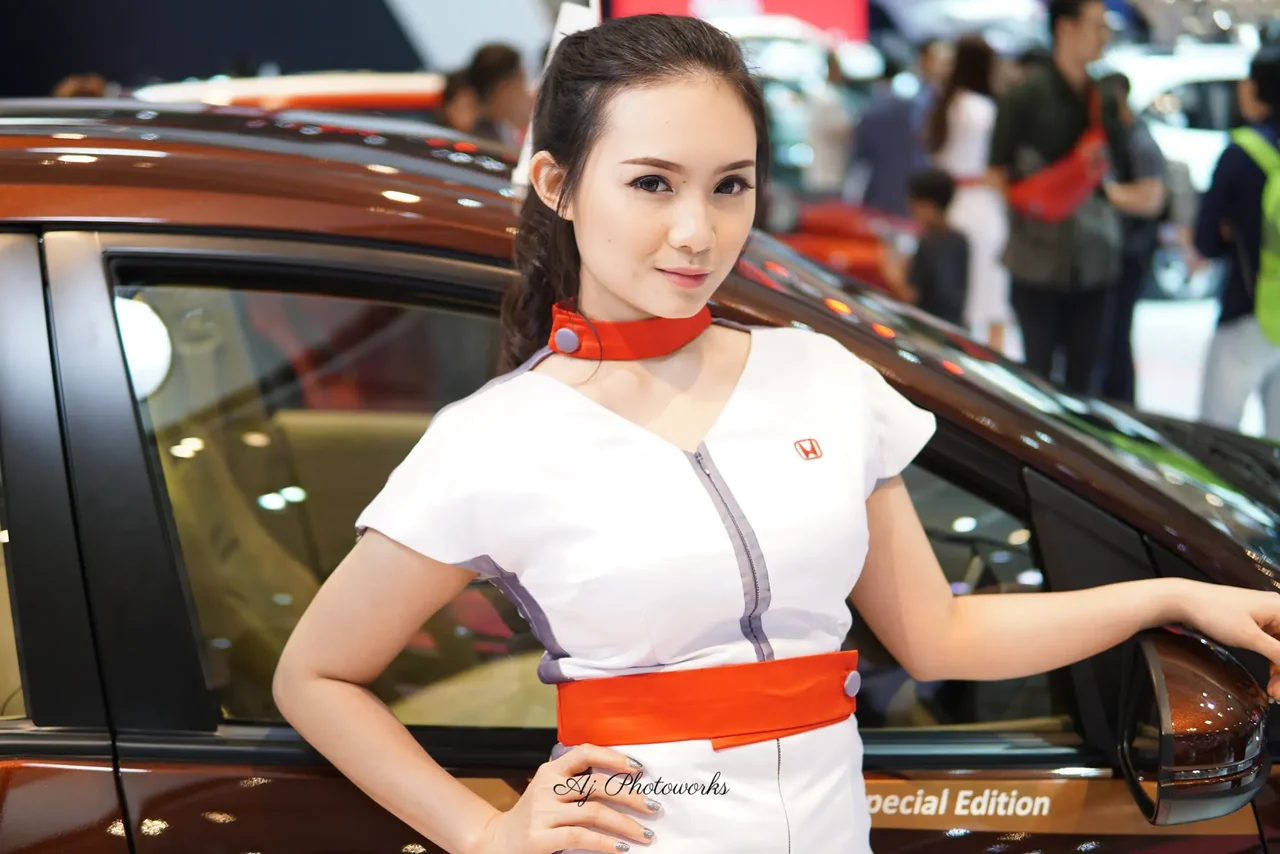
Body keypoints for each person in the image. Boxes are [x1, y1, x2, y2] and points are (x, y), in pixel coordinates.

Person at [272, 14, 1280, 854]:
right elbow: (314, 675)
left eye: (730, 184)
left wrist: (1171, 593)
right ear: (556, 184)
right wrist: (483, 832)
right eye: (651, 182)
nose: (697, 232)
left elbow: (937, 634)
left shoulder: (821, 377)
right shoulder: (493, 439)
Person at [989, 0, 1128, 394]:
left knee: (1086, 379)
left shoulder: (1104, 97)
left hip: (1095, 257)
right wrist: (1034, 206)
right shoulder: (1024, 97)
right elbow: (996, 172)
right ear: (1065, 28)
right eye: (1097, 25)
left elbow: (1117, 168)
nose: (1104, 36)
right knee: (1038, 378)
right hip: (1036, 259)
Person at [1196, 45, 1280, 438]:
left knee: (1217, 438)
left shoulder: (1241, 153)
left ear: (1255, 88)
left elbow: (1205, 241)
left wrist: (1231, 233)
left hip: (1247, 310)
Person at [927, 33, 1011, 351]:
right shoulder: (983, 110)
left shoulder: (945, 105)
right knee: (991, 297)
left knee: (959, 296)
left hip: (951, 205)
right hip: (982, 205)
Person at [1095, 71, 1168, 405]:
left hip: (1131, 251)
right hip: (1116, 250)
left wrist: (1104, 193)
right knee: (1107, 333)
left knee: (1116, 332)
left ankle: (1120, 403)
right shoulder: (1117, 136)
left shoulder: (1139, 141)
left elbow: (1152, 199)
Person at [848, 40, 953, 216]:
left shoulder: (941, 106)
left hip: (908, 197)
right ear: (923, 62)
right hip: (902, 199)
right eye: (941, 62)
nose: (945, 69)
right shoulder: (900, 108)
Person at [881, 169, 970, 325]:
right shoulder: (960, 240)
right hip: (954, 327)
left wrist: (889, 268)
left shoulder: (929, 243)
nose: (911, 211)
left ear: (928, 207)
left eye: (913, 205)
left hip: (925, 328)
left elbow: (910, 295)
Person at [467, 43, 532, 147]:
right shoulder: (488, 146)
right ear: (505, 87)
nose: (527, 93)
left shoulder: (504, 135)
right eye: (522, 81)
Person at [435, 69, 480, 135]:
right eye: (465, 107)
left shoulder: (483, 137)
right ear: (448, 109)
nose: (473, 113)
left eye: (474, 106)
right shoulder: (434, 137)